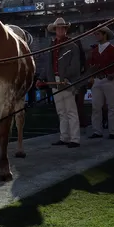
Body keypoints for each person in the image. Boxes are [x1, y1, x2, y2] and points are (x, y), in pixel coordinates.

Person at [41, 18, 81, 148]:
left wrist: (67, 77)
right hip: (55, 81)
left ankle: (75, 139)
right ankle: (64, 137)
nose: (60, 30)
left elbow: (75, 65)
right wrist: (41, 78)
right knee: (61, 111)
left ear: (65, 30)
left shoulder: (72, 45)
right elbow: (48, 65)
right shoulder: (51, 45)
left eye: (62, 28)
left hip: (66, 81)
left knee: (70, 110)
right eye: (58, 28)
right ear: (55, 30)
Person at [87, 26, 114, 139]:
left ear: (105, 35)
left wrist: (113, 74)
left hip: (110, 80)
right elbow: (91, 66)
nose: (96, 36)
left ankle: (113, 131)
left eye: (98, 33)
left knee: (112, 106)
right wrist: (92, 76)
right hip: (97, 80)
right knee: (96, 107)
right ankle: (97, 131)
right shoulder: (94, 51)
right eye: (96, 34)